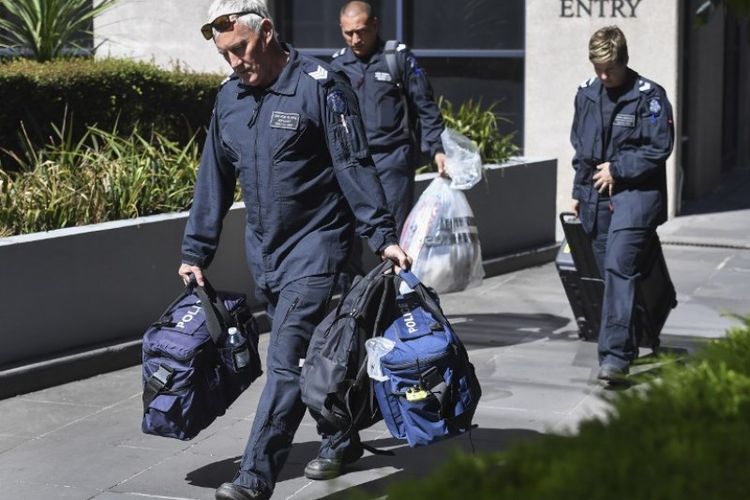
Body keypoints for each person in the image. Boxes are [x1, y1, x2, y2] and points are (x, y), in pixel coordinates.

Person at [179, 2, 411, 499]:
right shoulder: (230, 100)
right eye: (225, 55)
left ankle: (254, 477)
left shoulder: (320, 86)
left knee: (285, 363)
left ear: (267, 32)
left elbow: (355, 166)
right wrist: (196, 252)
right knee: (308, 359)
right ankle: (341, 436)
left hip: (318, 249)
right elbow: (213, 181)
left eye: (239, 49)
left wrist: (384, 237)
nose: (235, 62)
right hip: (265, 256)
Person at [569, 26, 674, 382]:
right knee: (618, 271)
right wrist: (578, 191)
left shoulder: (649, 96)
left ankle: (614, 357)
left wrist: (618, 169)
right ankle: (648, 320)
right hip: (596, 196)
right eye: (597, 68)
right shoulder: (586, 94)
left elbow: (659, 148)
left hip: (637, 196)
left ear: (623, 61)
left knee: (618, 265)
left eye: (609, 69)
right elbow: (581, 150)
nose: (602, 75)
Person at [330, 1, 447, 233]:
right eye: (348, 33)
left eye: (361, 32)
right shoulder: (338, 64)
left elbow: (425, 107)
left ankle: (393, 271)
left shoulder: (397, 58)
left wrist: (437, 149)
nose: (355, 40)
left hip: (392, 160)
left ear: (375, 25)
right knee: (349, 234)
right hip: (354, 163)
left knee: (393, 231)